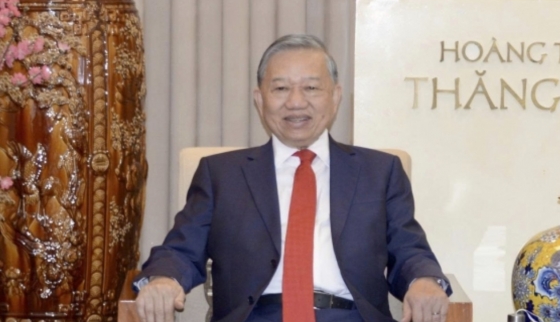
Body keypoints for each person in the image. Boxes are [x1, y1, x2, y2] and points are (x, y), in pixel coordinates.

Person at [135, 35, 450, 322]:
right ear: (260, 100)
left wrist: (424, 280)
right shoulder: (221, 174)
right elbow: (180, 250)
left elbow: (409, 249)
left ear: (335, 97)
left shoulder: (379, 172)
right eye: (281, 88)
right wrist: (163, 279)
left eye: (311, 88)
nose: (296, 102)